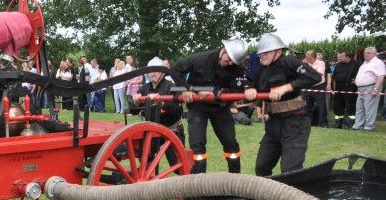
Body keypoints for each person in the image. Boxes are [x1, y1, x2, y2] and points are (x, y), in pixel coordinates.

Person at [243, 33, 321, 176]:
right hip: (273, 124)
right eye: (260, 53)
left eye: (266, 52)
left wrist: (286, 87)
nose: (262, 56)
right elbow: (253, 90)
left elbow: (315, 77)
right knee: (261, 167)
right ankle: (266, 197)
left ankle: (292, 198)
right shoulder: (260, 69)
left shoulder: (289, 62)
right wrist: (251, 93)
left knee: (290, 171)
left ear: (278, 52)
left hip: (295, 123)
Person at [169, 38, 249, 174]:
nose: (229, 63)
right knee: (197, 145)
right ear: (224, 50)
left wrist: (215, 92)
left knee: (230, 143)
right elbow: (175, 71)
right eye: (228, 59)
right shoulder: (199, 59)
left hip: (221, 109)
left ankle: (235, 182)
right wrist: (185, 89)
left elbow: (238, 90)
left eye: (233, 62)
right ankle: (199, 187)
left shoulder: (237, 69)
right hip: (198, 108)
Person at [131, 57, 184, 166]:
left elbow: (178, 111)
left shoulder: (174, 87)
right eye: (150, 71)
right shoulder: (143, 88)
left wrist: (162, 102)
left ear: (163, 73)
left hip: (171, 130)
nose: (152, 73)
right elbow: (133, 110)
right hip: (151, 132)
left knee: (178, 165)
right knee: (147, 165)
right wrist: (135, 102)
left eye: (156, 70)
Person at [351, 46, 385, 131]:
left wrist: (376, 89)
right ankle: (358, 125)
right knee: (359, 108)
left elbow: (381, 76)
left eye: (368, 53)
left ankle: (369, 126)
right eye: (365, 53)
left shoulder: (378, 62)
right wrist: (358, 85)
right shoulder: (365, 63)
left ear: (374, 54)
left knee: (370, 108)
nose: (366, 54)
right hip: (361, 88)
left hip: (371, 87)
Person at [330, 50, 360, 128]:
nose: (339, 58)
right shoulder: (338, 65)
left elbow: (361, 75)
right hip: (339, 89)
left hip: (351, 89)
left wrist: (357, 85)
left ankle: (350, 123)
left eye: (341, 56)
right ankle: (338, 123)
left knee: (350, 106)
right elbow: (334, 78)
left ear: (347, 57)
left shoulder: (357, 64)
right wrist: (334, 89)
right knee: (337, 106)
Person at [302, 50, 327, 127]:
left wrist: (308, 71)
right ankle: (308, 123)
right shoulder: (305, 64)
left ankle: (323, 123)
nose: (305, 57)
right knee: (306, 106)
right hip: (307, 86)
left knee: (321, 106)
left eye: (307, 55)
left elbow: (318, 74)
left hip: (319, 86)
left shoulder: (321, 63)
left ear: (312, 56)